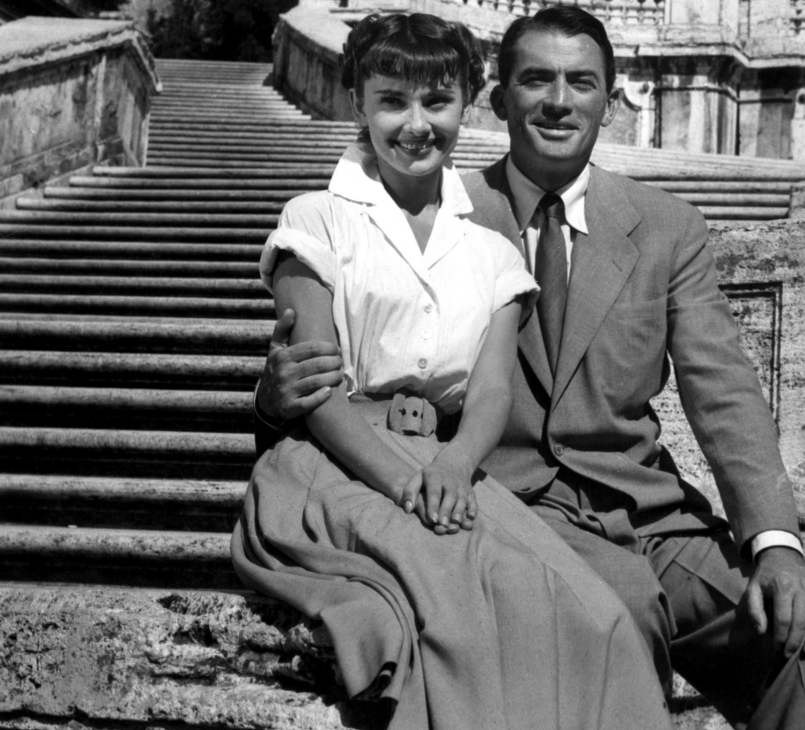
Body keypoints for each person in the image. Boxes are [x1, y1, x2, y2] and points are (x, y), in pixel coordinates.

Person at [257, 6, 805, 729]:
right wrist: (274, 399)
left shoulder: (668, 227)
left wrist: (776, 545)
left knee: (803, 634)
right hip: (513, 507)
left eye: (582, 83)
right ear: (498, 98)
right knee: (620, 615)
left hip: (650, 514)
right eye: (537, 80)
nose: (559, 102)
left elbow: (725, 393)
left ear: (612, 101)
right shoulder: (441, 214)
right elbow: (366, 361)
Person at [231, 13, 673, 730]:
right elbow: (316, 386)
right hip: (337, 461)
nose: (416, 124)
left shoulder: (491, 251)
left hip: (448, 467)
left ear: (467, 104)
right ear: (357, 103)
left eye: (436, 101)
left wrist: (455, 464)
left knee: (598, 612)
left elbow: (492, 390)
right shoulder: (316, 218)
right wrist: (403, 480)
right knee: (471, 610)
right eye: (392, 101)